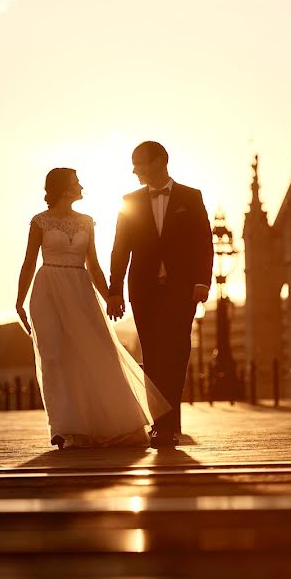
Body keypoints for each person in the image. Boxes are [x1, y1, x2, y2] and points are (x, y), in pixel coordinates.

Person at [16, 167, 170, 449]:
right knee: (54, 356)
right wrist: (20, 300)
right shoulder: (39, 222)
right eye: (76, 182)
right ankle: (63, 427)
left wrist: (111, 296)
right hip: (47, 289)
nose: (81, 186)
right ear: (63, 188)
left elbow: (94, 265)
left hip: (80, 289)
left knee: (95, 351)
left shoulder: (87, 222)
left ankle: (106, 421)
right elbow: (28, 262)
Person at [108, 141, 213, 448]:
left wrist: (202, 281)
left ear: (158, 161)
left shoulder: (190, 197)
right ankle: (161, 426)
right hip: (144, 291)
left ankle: (170, 423)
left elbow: (203, 242)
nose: (134, 169)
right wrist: (115, 291)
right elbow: (120, 249)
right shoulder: (128, 201)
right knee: (153, 357)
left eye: (139, 163)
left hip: (182, 291)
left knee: (177, 353)